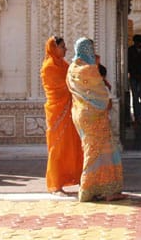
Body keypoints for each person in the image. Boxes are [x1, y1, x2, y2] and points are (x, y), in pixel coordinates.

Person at [67, 38, 125, 203]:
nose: (94, 53)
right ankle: (99, 190)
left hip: (80, 115)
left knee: (91, 150)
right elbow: (101, 92)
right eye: (91, 49)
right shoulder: (88, 69)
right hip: (94, 116)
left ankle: (93, 188)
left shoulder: (72, 68)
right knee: (103, 151)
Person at [40, 35, 82, 196]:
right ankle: (55, 184)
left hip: (69, 111)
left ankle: (77, 178)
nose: (65, 49)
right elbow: (60, 88)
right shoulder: (49, 67)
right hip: (57, 111)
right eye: (62, 47)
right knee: (57, 147)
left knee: (72, 145)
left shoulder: (64, 65)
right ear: (54, 48)